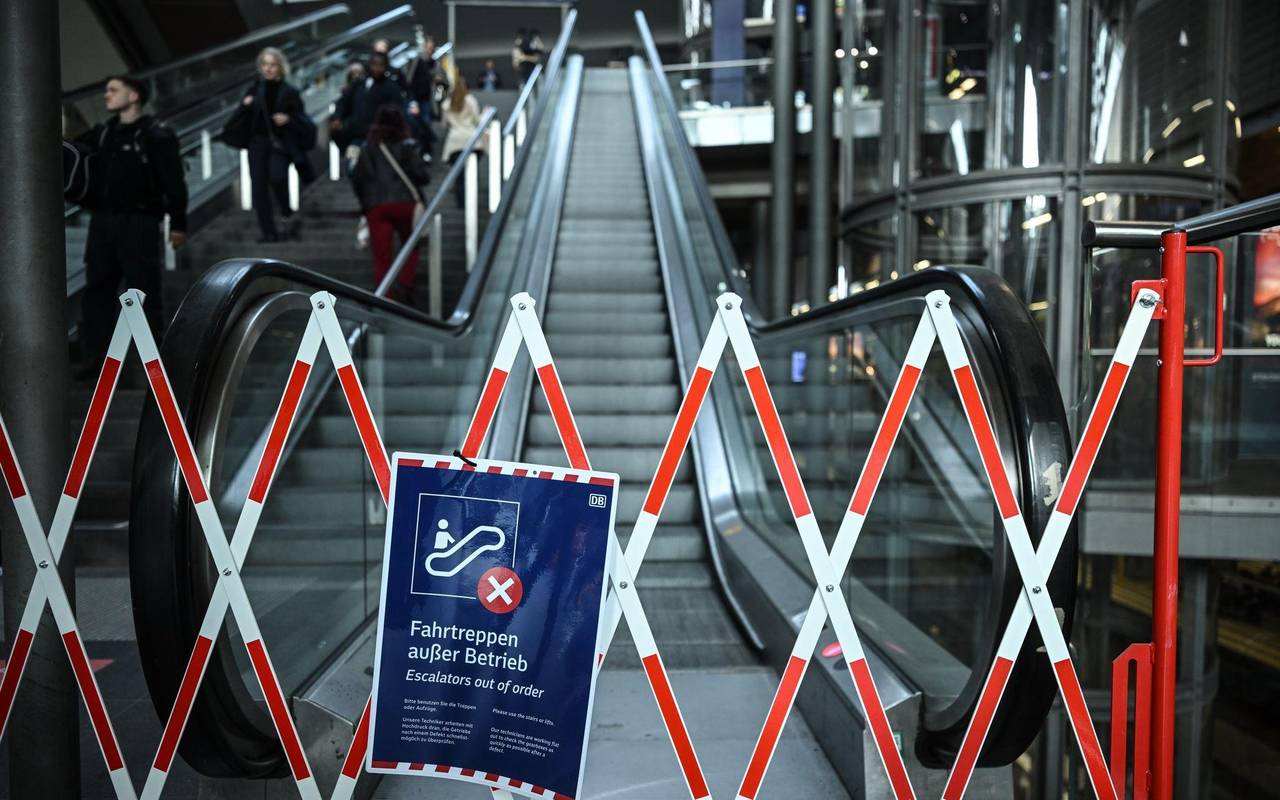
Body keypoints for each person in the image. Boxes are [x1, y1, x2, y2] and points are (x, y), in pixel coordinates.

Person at [74, 74, 187, 375]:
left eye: (113, 90)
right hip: (103, 221)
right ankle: (95, 359)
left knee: (143, 289)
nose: (106, 96)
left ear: (134, 95)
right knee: (97, 290)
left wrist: (178, 224)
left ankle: (152, 359)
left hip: (140, 221)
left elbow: (174, 182)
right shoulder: (102, 134)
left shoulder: (155, 135)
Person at [349, 105, 431, 304]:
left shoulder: (367, 148)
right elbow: (422, 176)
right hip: (405, 204)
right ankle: (405, 283)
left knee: (381, 256)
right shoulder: (408, 145)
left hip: (376, 207)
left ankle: (385, 299)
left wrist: (366, 205)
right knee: (411, 245)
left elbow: (357, 178)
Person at [239, 47, 314, 242]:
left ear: (280, 67)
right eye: (265, 65)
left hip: (280, 143)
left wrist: (287, 118)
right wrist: (245, 105)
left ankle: (286, 210)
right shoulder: (254, 90)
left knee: (278, 177)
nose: (268, 69)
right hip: (257, 143)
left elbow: (302, 118)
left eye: (272, 65)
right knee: (258, 188)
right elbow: (242, 119)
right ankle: (268, 232)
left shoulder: (289, 91)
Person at [331, 51, 408, 154]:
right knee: (352, 166)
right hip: (356, 136)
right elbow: (343, 101)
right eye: (374, 64)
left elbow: (397, 112)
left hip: (380, 140)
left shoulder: (392, 88)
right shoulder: (358, 84)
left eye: (380, 65)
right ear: (369, 65)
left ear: (386, 67)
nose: (376, 68)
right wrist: (337, 117)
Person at [443, 77, 483, 209]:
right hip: (472, 141)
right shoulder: (470, 101)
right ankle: (472, 202)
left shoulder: (447, 104)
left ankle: (461, 204)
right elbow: (477, 120)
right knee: (471, 173)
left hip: (455, 142)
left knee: (459, 176)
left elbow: (444, 124)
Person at [404, 36, 445, 152]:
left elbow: (440, 79)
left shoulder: (434, 64)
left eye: (432, 48)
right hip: (414, 97)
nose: (430, 50)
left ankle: (424, 149)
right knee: (413, 124)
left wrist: (437, 79)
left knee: (426, 123)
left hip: (427, 99)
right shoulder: (416, 61)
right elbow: (409, 78)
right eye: (428, 47)